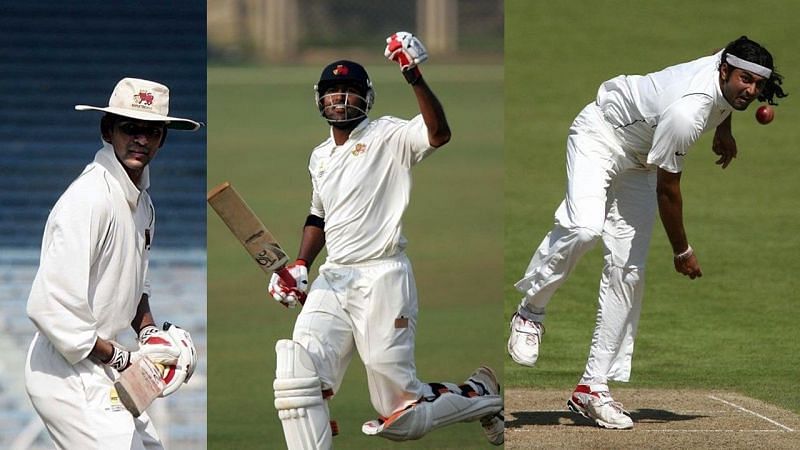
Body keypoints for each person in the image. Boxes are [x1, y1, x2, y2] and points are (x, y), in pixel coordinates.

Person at [507, 36, 786, 429]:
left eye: (757, 85)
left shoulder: (721, 68)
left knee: (629, 271)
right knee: (585, 228)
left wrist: (724, 127)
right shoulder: (688, 113)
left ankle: (592, 388)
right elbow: (668, 191)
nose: (752, 91)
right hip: (601, 136)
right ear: (725, 70)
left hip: (641, 160)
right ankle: (530, 312)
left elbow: (721, 51)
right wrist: (682, 250)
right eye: (745, 80)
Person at [268, 32, 503, 448]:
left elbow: (439, 133)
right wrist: (301, 265)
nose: (340, 99)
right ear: (320, 99)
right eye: (333, 92)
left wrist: (413, 76)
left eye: (350, 91)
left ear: (366, 98)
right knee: (295, 375)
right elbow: (318, 215)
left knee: (401, 418)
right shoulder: (319, 157)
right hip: (333, 279)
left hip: (382, 276)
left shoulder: (388, 136)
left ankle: (482, 395)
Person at [25, 77, 202, 449]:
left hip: (102, 364)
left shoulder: (143, 204)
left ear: (162, 138)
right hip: (65, 368)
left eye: (151, 131)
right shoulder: (89, 200)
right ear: (108, 130)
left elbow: (135, 284)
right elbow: (48, 307)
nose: (140, 139)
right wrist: (122, 358)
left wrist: (150, 333)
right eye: (130, 128)